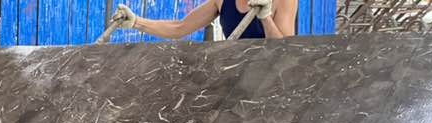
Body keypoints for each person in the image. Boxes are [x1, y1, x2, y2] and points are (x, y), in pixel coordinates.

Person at [111, 0, 297, 40]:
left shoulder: (284, 1)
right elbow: (180, 28)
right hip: (239, 79)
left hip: (273, 82)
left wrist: (265, 18)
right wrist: (136, 22)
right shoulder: (222, 2)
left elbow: (288, 51)